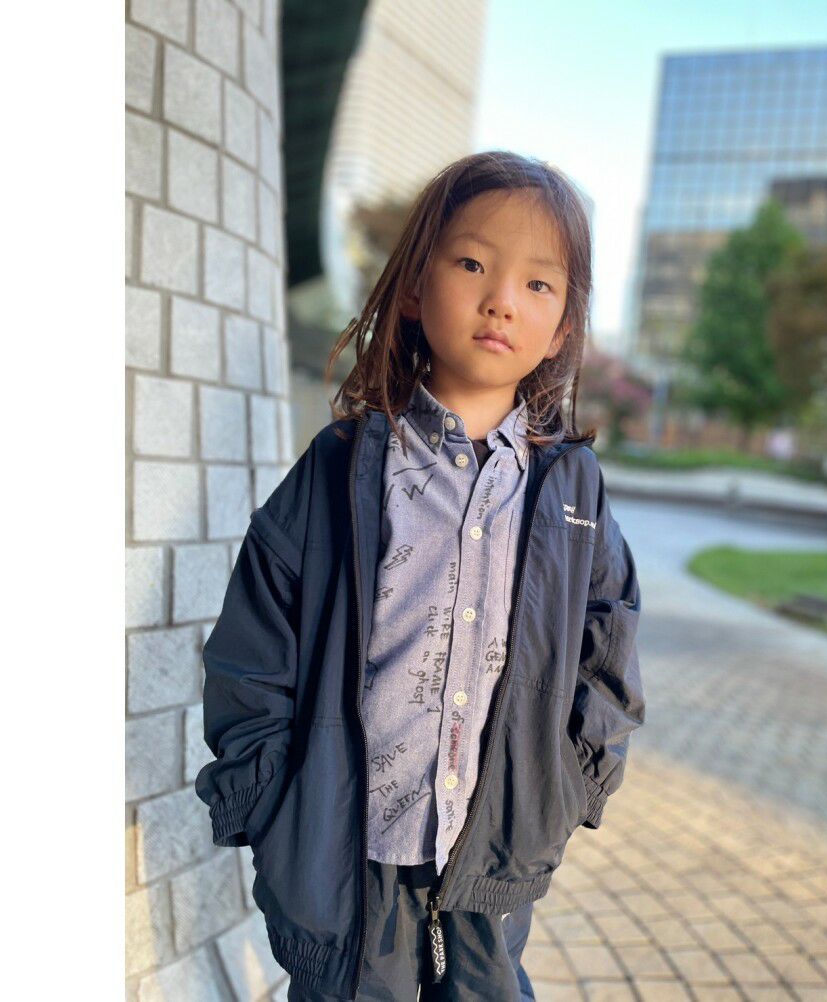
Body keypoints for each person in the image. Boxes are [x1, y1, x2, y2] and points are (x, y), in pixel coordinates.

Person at [195, 150, 645, 1001]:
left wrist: (567, 790)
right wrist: (271, 805)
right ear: (412, 287)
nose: (501, 299)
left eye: (538, 284)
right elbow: (254, 645)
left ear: (563, 326)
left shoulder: (570, 489)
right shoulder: (342, 468)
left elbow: (609, 652)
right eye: (472, 264)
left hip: (493, 854)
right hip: (346, 855)